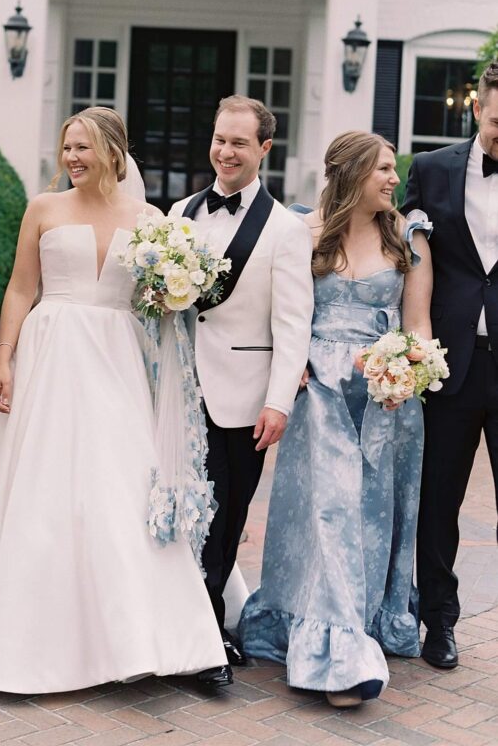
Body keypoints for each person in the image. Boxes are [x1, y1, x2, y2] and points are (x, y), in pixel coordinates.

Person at [0, 106, 226, 692]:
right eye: (66, 148)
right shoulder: (44, 208)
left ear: (113, 151)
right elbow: (22, 286)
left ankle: (131, 637)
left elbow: (160, 305)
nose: (72, 158)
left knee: (119, 486)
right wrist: (4, 358)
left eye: (83, 148)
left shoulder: (150, 217)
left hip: (119, 359)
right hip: (50, 356)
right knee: (37, 484)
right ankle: (24, 634)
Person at [240, 131, 433, 708]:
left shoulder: (407, 235)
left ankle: (359, 627)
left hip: (384, 395)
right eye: (382, 169)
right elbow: (277, 310)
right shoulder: (303, 232)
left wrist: (408, 371)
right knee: (327, 511)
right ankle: (338, 654)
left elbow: (417, 324)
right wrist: (288, 362)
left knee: (369, 514)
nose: (393, 179)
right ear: (350, 174)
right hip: (318, 391)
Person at [169, 95, 314, 688]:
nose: (225, 152)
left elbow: (293, 323)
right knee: (178, 508)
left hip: (246, 397)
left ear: (263, 150)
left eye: (239, 143)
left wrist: (279, 401)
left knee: (226, 517)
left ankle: (209, 627)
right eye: (219, 139)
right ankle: (191, 625)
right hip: (179, 390)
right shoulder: (180, 211)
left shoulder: (285, 229)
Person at [402, 62, 498, 670]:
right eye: (497, 122)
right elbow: (401, 249)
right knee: (438, 502)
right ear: (477, 109)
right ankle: (438, 620)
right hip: (451, 365)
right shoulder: (432, 170)